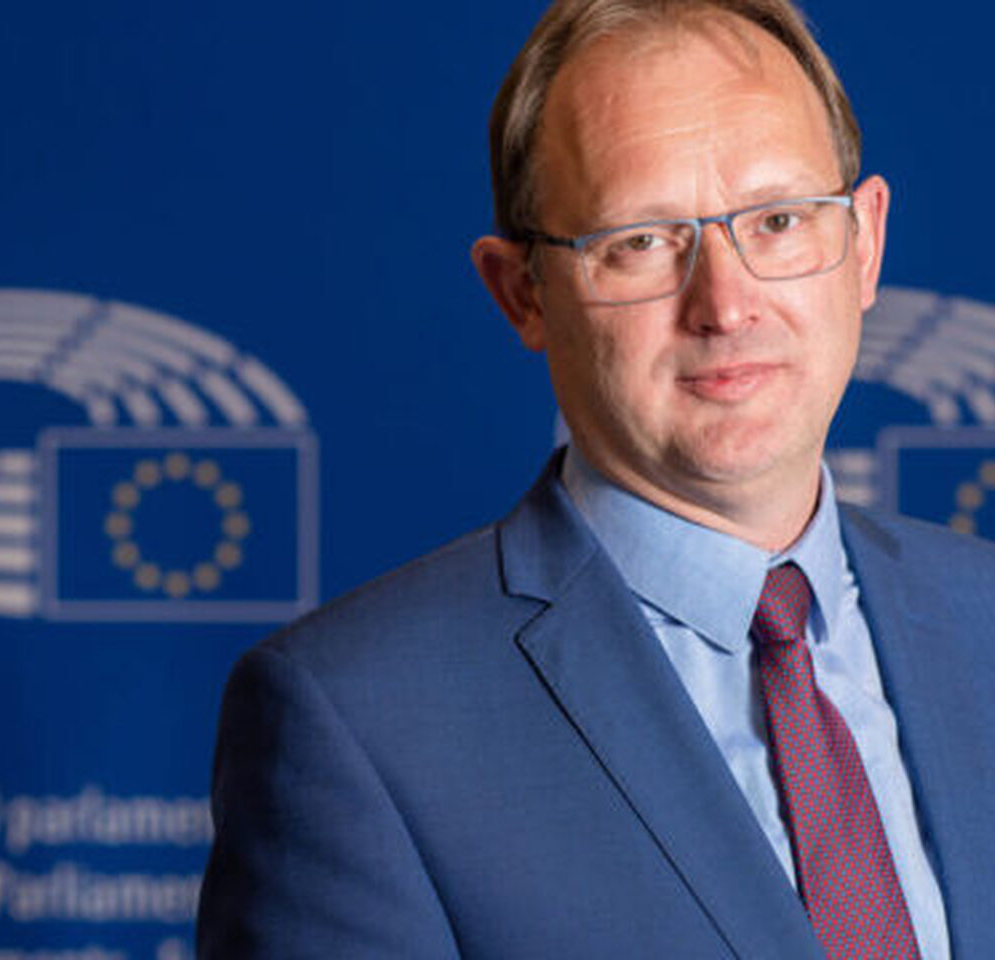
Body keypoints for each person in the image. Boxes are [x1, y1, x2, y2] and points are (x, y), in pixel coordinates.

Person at [197, 0, 995, 956]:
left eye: (779, 221)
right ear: (521, 292)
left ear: (863, 244)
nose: (726, 304)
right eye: (641, 241)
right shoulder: (357, 724)